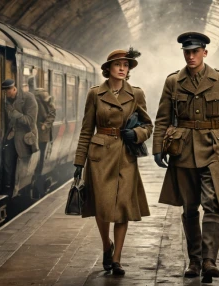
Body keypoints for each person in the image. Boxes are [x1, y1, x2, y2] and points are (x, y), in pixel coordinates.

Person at [152, 32, 219, 280]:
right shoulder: (173, 82)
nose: (190, 56)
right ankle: (194, 261)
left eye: (195, 51)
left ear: (205, 52)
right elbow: (162, 118)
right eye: (187, 52)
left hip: (214, 149)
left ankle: (209, 259)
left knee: (212, 203)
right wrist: (158, 147)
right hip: (183, 152)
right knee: (189, 206)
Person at [73, 48, 152, 276]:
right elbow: (86, 129)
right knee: (102, 207)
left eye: (125, 65)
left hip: (125, 156)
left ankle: (116, 259)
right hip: (99, 156)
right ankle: (107, 245)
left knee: (123, 207)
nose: (122, 68)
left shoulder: (136, 94)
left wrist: (136, 135)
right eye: (117, 64)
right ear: (108, 69)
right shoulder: (95, 94)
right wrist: (79, 161)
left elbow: (148, 126)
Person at [1, 79, 39, 195]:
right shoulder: (7, 100)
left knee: (20, 166)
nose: (6, 93)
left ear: (14, 88)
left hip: (24, 139)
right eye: (5, 91)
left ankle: (16, 189)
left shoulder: (28, 98)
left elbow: (30, 120)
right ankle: (8, 188)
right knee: (7, 161)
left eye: (8, 91)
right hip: (11, 136)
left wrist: (14, 113)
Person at [34, 87, 56, 178]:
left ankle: (38, 174)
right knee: (40, 155)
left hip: (42, 134)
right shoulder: (39, 102)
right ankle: (37, 174)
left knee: (41, 155)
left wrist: (45, 125)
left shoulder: (46, 103)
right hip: (39, 133)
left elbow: (51, 115)